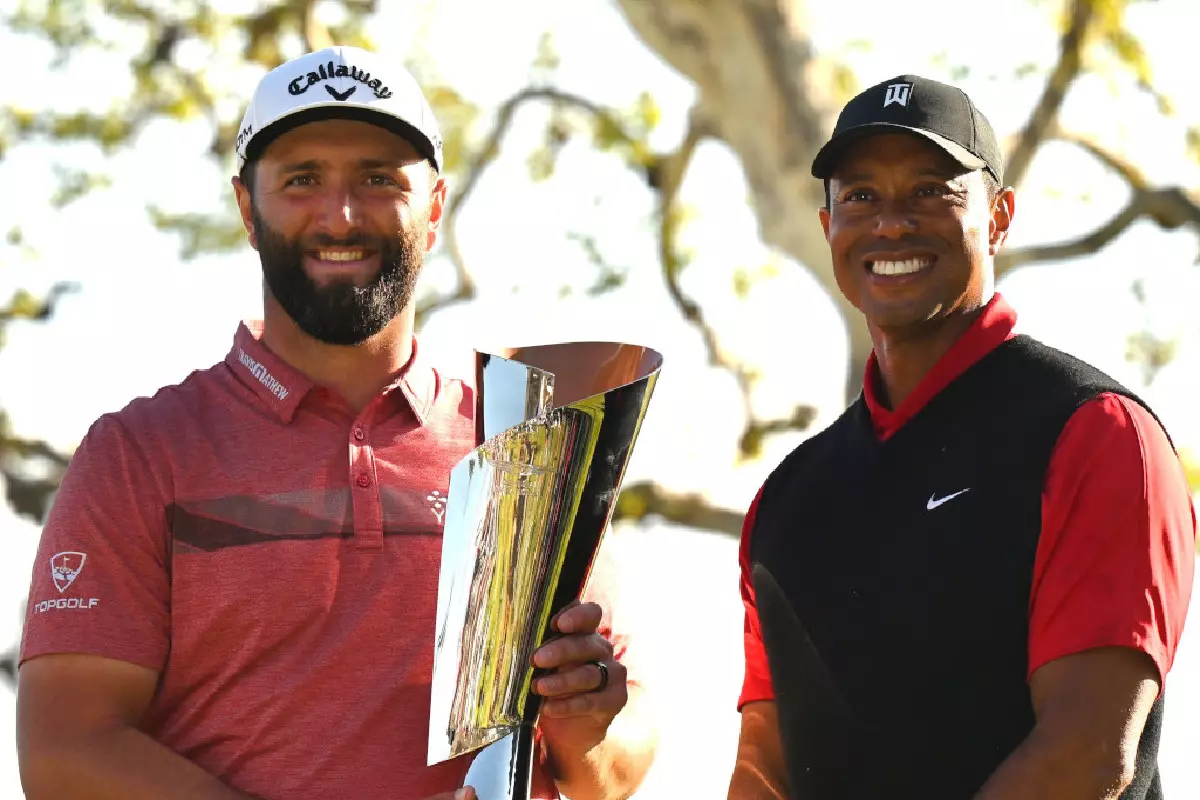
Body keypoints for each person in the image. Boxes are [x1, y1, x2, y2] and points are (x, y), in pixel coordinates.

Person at [16, 45, 656, 800]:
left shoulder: (526, 437)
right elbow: (66, 749)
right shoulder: (139, 454)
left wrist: (588, 722)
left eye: (378, 179)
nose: (341, 214)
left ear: (436, 205)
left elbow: (616, 766)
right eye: (302, 180)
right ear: (248, 210)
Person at [727, 74, 1196, 799]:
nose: (891, 224)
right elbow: (765, 771)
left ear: (1000, 217)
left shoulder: (1095, 433)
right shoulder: (785, 501)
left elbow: (1089, 752)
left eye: (929, 191)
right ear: (828, 229)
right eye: (860, 197)